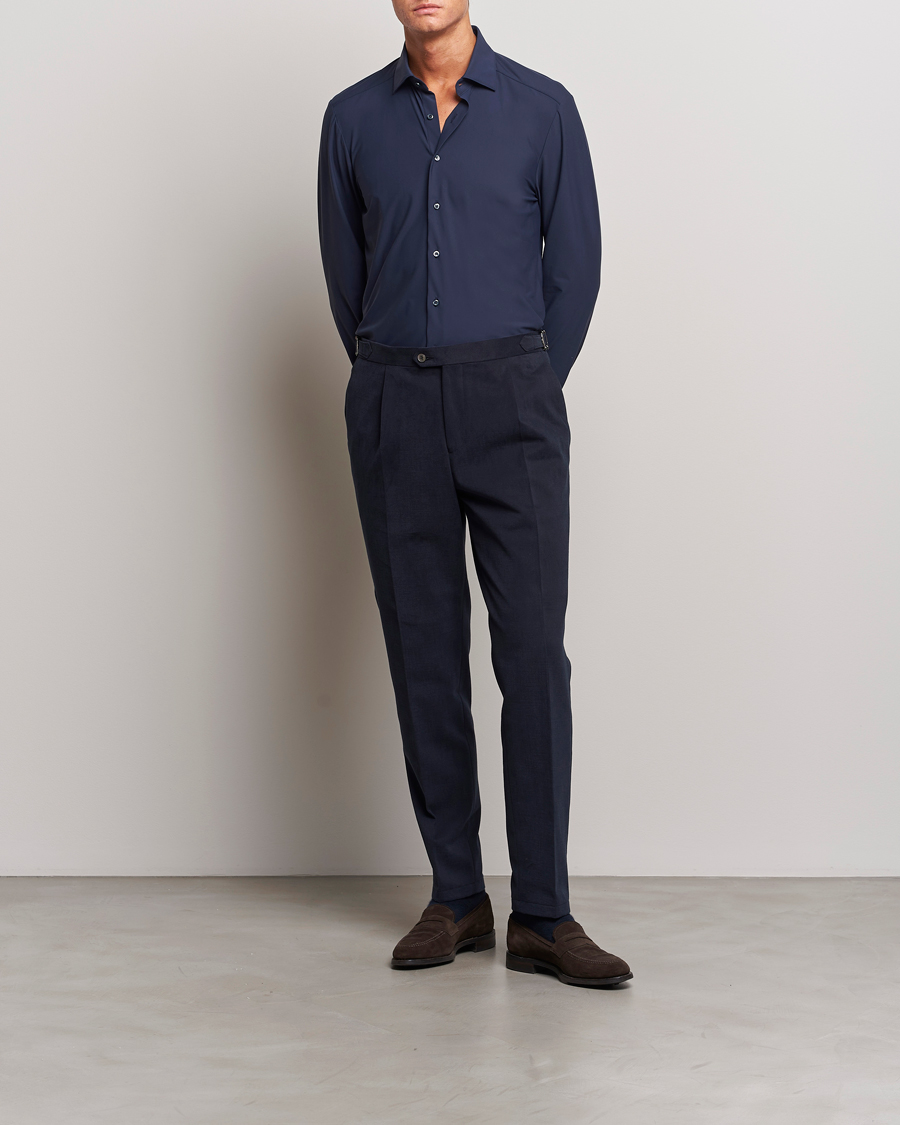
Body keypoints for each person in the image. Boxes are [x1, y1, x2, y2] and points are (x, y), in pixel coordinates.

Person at [317, 0, 632, 988]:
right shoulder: (351, 118)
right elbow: (345, 277)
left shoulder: (544, 108)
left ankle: (544, 911)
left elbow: (574, 269)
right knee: (424, 653)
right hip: (395, 400)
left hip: (514, 400)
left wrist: (524, 383)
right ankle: (457, 896)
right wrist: (395, 377)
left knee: (532, 652)